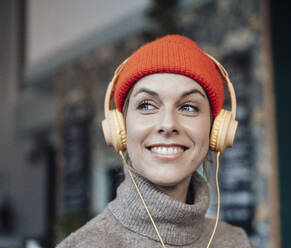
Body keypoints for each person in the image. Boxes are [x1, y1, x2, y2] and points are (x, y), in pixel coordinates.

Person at [57, 34, 251, 248]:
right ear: (121, 127)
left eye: (189, 107)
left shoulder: (235, 242)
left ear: (214, 130)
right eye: (147, 105)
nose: (168, 125)